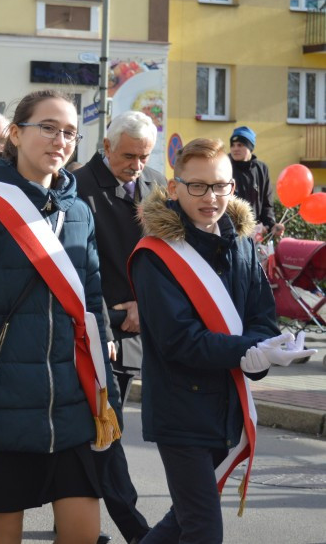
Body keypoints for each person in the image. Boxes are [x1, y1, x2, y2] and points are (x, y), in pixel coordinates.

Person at [0, 90, 120, 544]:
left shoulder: (79, 212)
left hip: (71, 409)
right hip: (3, 410)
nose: (61, 141)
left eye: (70, 133)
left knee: (83, 535)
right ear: (16, 135)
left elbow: (92, 311)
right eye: (48, 128)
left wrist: (108, 400)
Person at [128, 138, 314, 543]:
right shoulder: (155, 254)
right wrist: (247, 352)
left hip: (228, 402)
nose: (210, 197)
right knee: (203, 528)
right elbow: (178, 339)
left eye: (220, 186)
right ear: (175, 188)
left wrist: (268, 349)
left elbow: (261, 316)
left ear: (233, 187)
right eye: (197, 186)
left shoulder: (243, 245)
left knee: (182, 519)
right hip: (180, 409)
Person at [73, 111, 162, 544]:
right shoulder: (77, 187)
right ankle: (135, 530)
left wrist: (147, 304)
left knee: (98, 432)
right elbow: (73, 264)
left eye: (144, 157)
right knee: (107, 430)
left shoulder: (157, 185)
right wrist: (109, 315)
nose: (137, 166)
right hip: (98, 330)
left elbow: (168, 255)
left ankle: (74, 519)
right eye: (129, 156)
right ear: (106, 146)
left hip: (144, 328)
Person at [229, 126, 284, 238]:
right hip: (229, 232)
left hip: (255, 235)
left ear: (250, 147)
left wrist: (271, 225)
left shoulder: (261, 169)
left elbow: (267, 204)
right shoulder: (225, 166)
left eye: (240, 145)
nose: (235, 149)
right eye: (232, 145)